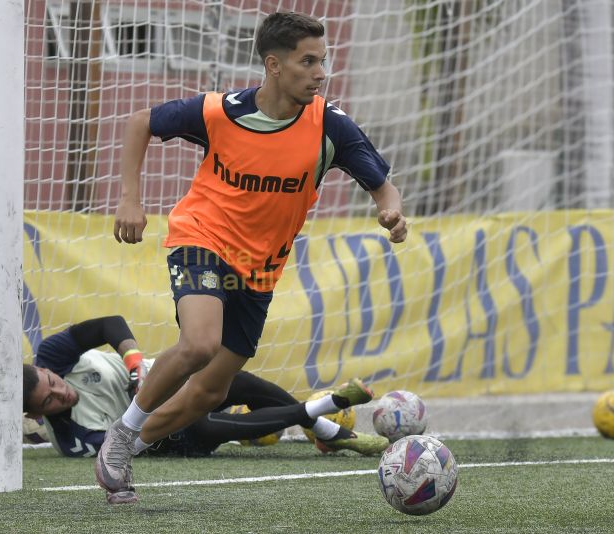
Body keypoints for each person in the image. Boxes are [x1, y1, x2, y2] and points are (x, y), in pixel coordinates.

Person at [100, 11, 408, 504]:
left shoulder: (329, 125)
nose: (320, 73)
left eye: (322, 61)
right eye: (308, 62)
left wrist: (391, 212)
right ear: (274, 65)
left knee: (210, 393)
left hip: (260, 269)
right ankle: (120, 437)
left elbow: (382, 186)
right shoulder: (221, 112)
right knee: (200, 343)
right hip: (201, 236)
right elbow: (141, 122)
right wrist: (129, 198)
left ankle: (127, 444)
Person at [23, 315, 388, 461]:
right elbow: (129, 446)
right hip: (166, 433)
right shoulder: (71, 440)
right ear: (37, 415)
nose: (61, 392)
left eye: (53, 383)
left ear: (45, 370)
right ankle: (326, 414)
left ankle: (324, 429)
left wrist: (136, 367)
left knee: (237, 380)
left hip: (168, 379)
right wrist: (145, 406)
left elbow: (109, 325)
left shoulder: (52, 355)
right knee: (202, 423)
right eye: (50, 401)